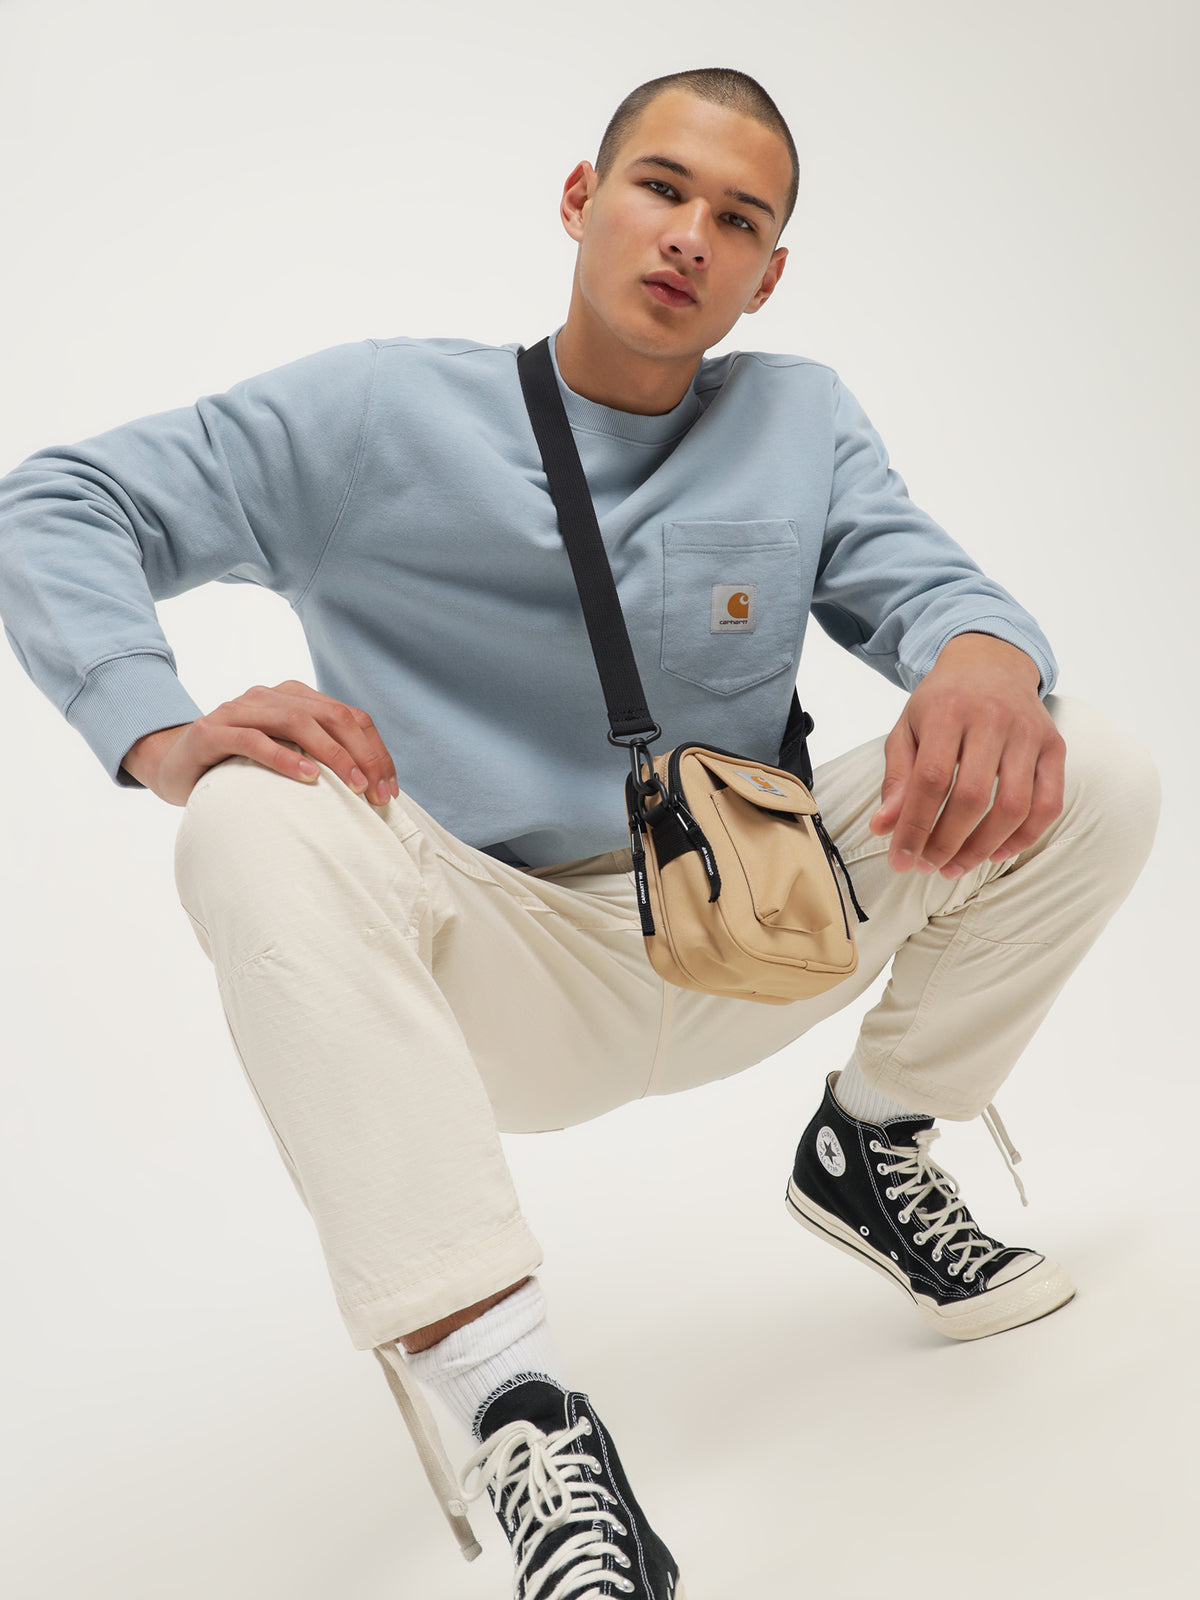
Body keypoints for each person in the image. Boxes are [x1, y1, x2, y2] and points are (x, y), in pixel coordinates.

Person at [0, 66, 1160, 1600]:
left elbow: (933, 588)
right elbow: (57, 503)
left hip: (754, 925)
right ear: (580, 199)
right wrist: (157, 732)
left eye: (737, 219)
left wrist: (985, 662)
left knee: (1090, 764)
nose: (689, 236)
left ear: (767, 275)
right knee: (247, 813)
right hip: (492, 963)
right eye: (661, 188)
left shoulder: (800, 418)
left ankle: (874, 1148)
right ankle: (523, 1416)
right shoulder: (376, 413)